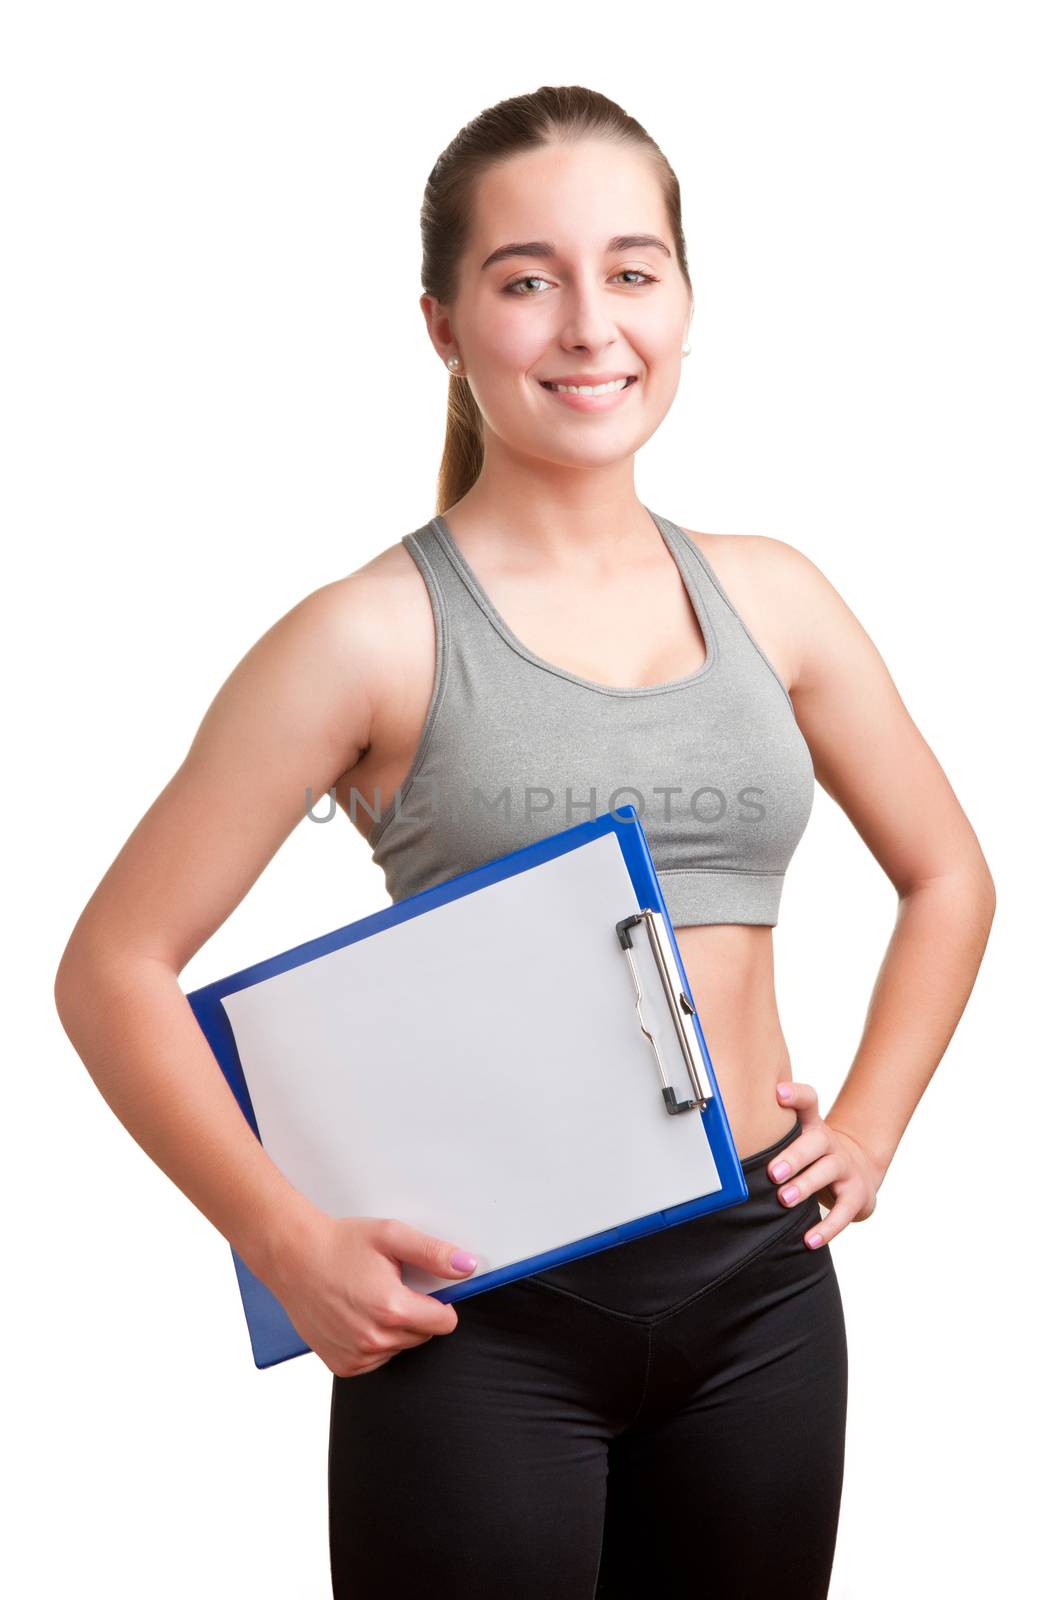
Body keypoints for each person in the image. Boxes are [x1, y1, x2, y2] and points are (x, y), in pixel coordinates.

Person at [54, 85, 996, 1600]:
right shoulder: (365, 638)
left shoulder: (780, 598)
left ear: (685, 301)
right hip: (482, 1312)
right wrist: (287, 1241)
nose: (587, 324)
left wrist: (871, 1128)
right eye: (525, 279)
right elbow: (111, 967)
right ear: (442, 324)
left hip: (761, 1288)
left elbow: (951, 876)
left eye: (632, 270)